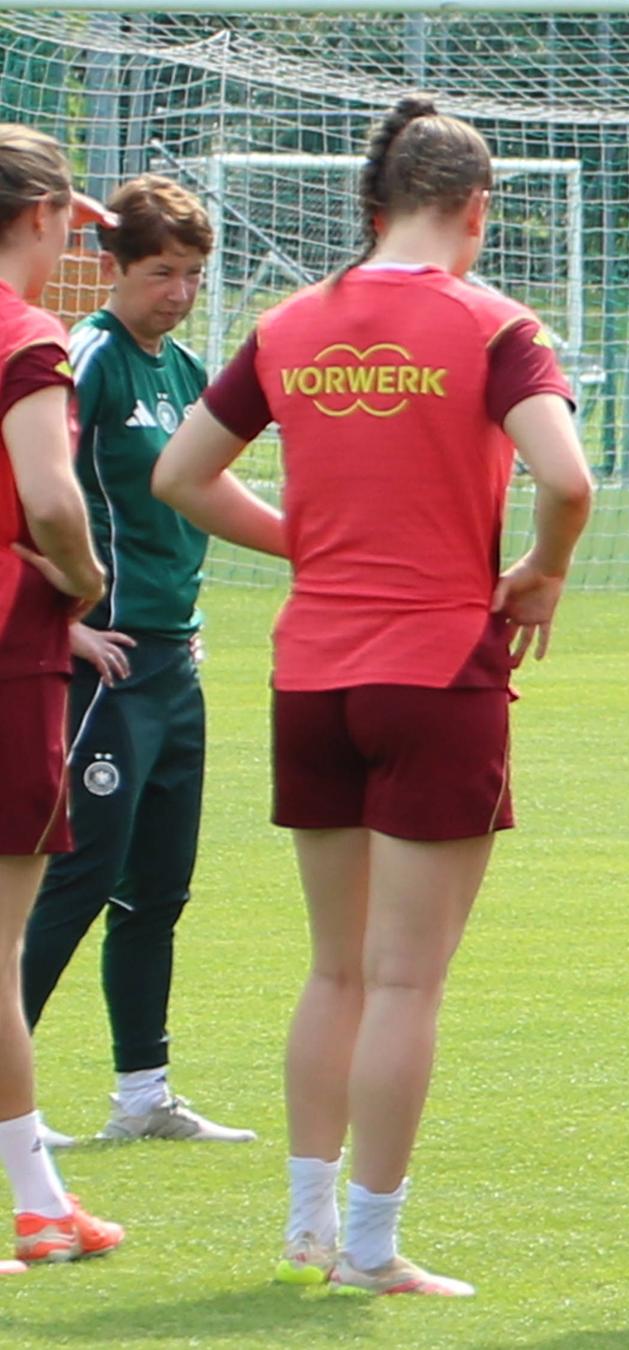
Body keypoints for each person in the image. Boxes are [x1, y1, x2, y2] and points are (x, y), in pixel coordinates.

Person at [154, 96, 594, 1297]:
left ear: (377, 201)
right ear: (476, 209)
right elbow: (567, 475)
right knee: (405, 981)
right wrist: (543, 574)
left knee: (334, 969)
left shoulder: (289, 322)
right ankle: (369, 1247)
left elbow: (181, 475)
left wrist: (313, 543)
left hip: (313, 677)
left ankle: (306, 1223)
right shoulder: (496, 325)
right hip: (437, 672)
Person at [22, 174, 254, 1148]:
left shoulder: (185, 369)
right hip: (103, 666)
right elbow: (27, 493)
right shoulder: (88, 360)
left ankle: (142, 1097)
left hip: (175, 657)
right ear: (109, 266)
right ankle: (7, 1101)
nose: (180, 291)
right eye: (162, 271)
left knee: (157, 887)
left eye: (195, 273)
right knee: (78, 876)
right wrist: (58, 624)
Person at [0, 122, 125, 1275]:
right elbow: (48, 499)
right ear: (42, 216)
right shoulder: (25, 334)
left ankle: (42, 1194)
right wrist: (84, 583)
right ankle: (35, 1210)